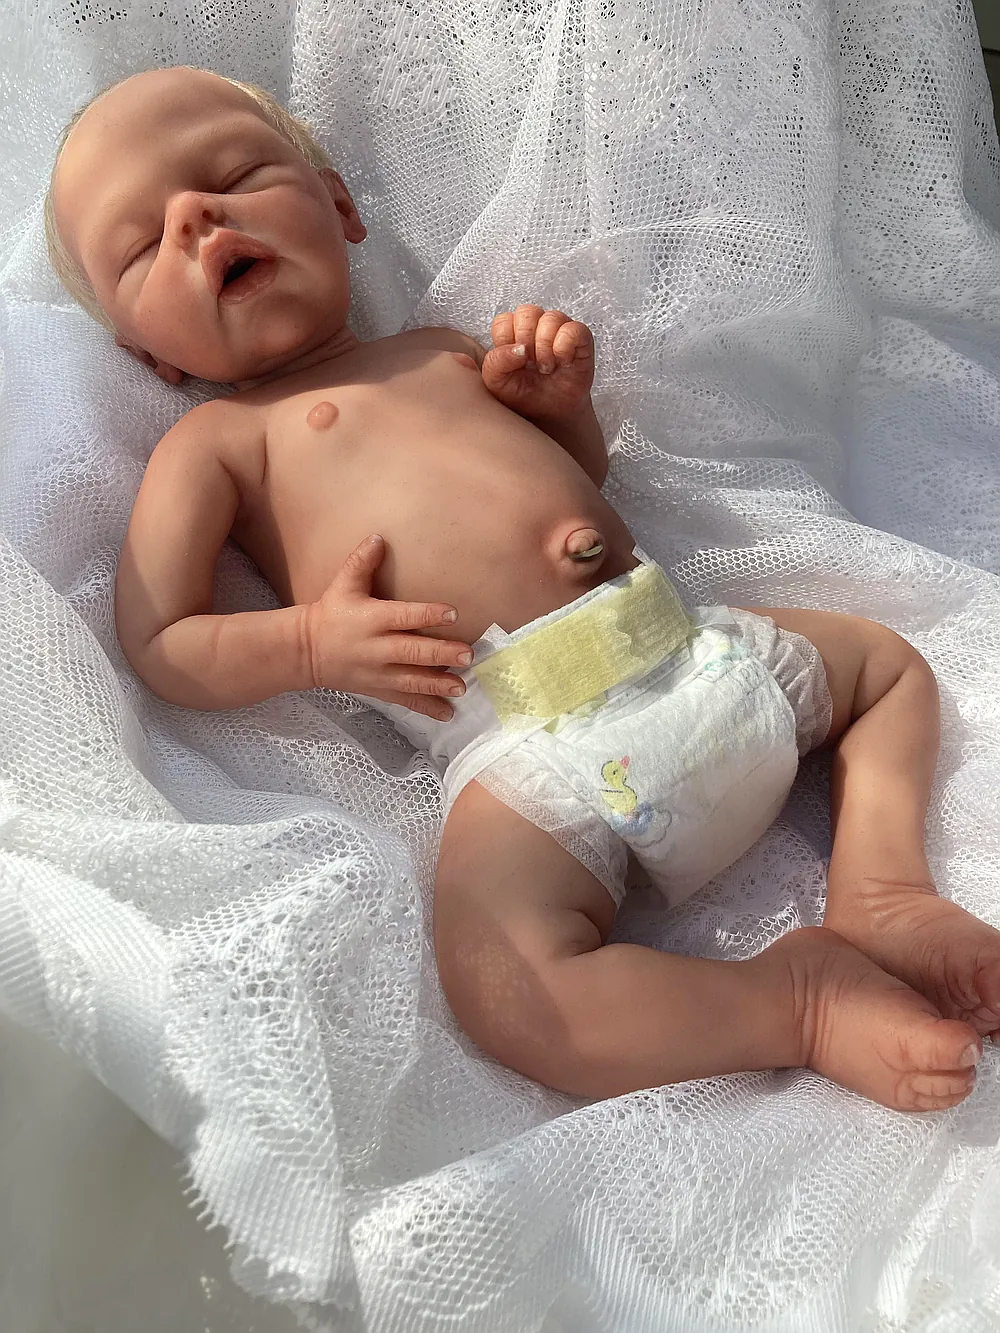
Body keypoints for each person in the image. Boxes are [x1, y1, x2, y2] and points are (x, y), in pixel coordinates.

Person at [45, 64, 1000, 1111]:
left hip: (685, 645)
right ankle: (797, 1004)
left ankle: (881, 889)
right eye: (142, 245)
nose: (194, 215)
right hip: (527, 746)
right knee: (506, 988)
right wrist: (312, 642)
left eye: (234, 174)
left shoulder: (444, 352)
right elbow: (161, 637)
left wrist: (559, 407)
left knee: (885, 667)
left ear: (340, 205)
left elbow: (574, 488)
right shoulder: (219, 443)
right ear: (148, 354)